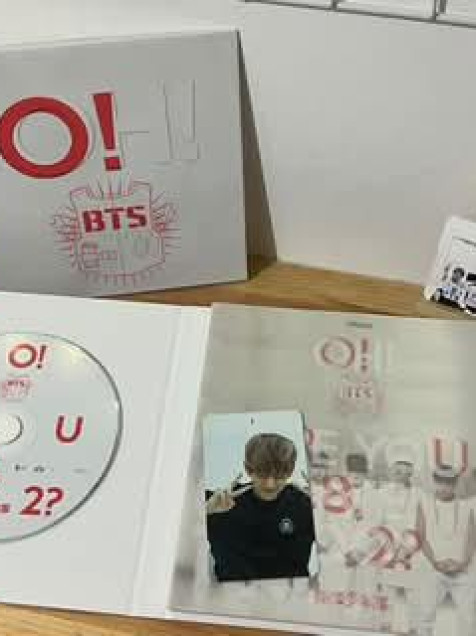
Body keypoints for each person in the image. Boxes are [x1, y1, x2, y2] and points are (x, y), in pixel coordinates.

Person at [206, 432, 315, 582]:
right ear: (248, 469)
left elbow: (340, 551)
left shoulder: (307, 505)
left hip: (291, 594)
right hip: (231, 595)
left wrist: (327, 513)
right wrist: (207, 510)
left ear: (290, 471)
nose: (270, 484)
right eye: (263, 474)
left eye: (279, 475)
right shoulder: (217, 503)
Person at [416, 464, 476, 636]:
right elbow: (421, 536)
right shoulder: (424, 503)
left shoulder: (467, 505)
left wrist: (463, 563)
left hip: (462, 568)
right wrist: (435, 562)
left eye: (449, 483)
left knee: (468, 617)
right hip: (433, 567)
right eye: (440, 482)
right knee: (425, 615)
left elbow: (471, 538)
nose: (444, 487)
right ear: (434, 482)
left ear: (455, 484)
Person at [376, 457, 422, 634]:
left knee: (412, 591)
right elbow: (377, 523)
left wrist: (407, 548)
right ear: (391, 471)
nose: (400, 475)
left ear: (410, 474)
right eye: (397, 471)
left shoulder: (418, 494)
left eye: (405, 472)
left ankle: (414, 627)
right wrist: (388, 547)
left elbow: (419, 523)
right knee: (387, 590)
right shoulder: (381, 493)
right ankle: (386, 625)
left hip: (411, 548)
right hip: (387, 546)